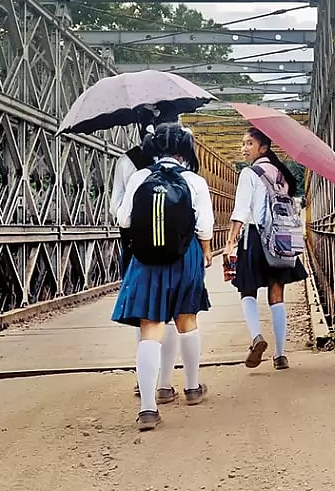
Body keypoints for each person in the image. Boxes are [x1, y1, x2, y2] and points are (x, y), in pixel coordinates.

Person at [112, 123, 214, 431]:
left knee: (151, 328)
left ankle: (148, 408)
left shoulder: (140, 177)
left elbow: (123, 218)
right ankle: (193, 388)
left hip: (147, 259)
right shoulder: (194, 181)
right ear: (184, 150)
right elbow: (205, 225)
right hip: (185, 256)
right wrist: (206, 252)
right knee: (187, 320)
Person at [224, 127, 308, 370]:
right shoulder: (281, 175)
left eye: (249, 143)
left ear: (263, 148)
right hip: (280, 239)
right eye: (243, 143)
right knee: (276, 294)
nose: (243, 148)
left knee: (246, 289)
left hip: (254, 237)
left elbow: (241, 210)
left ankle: (256, 338)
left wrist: (231, 241)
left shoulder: (249, 174)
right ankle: (280, 355)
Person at [110, 115, 180, 402]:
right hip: (176, 247)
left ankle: (145, 381)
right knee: (174, 312)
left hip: (138, 247)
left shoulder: (128, 162)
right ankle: (165, 382)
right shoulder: (183, 167)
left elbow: (118, 211)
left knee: (145, 314)